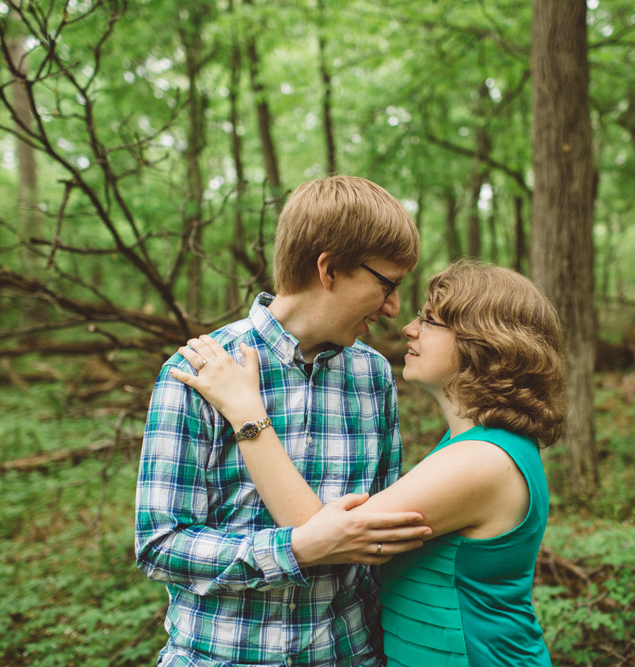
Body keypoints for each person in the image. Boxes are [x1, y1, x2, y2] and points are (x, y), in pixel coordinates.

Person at [172, 260, 566, 667]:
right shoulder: (474, 446)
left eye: (430, 321)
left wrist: (246, 412)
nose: (409, 328)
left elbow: (323, 535)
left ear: (483, 343)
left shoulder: (483, 461)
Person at [135, 175, 432, 667]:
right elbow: (160, 543)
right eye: (387, 285)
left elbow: (378, 535)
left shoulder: (374, 376)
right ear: (329, 268)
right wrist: (295, 548)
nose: (394, 308)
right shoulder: (198, 371)